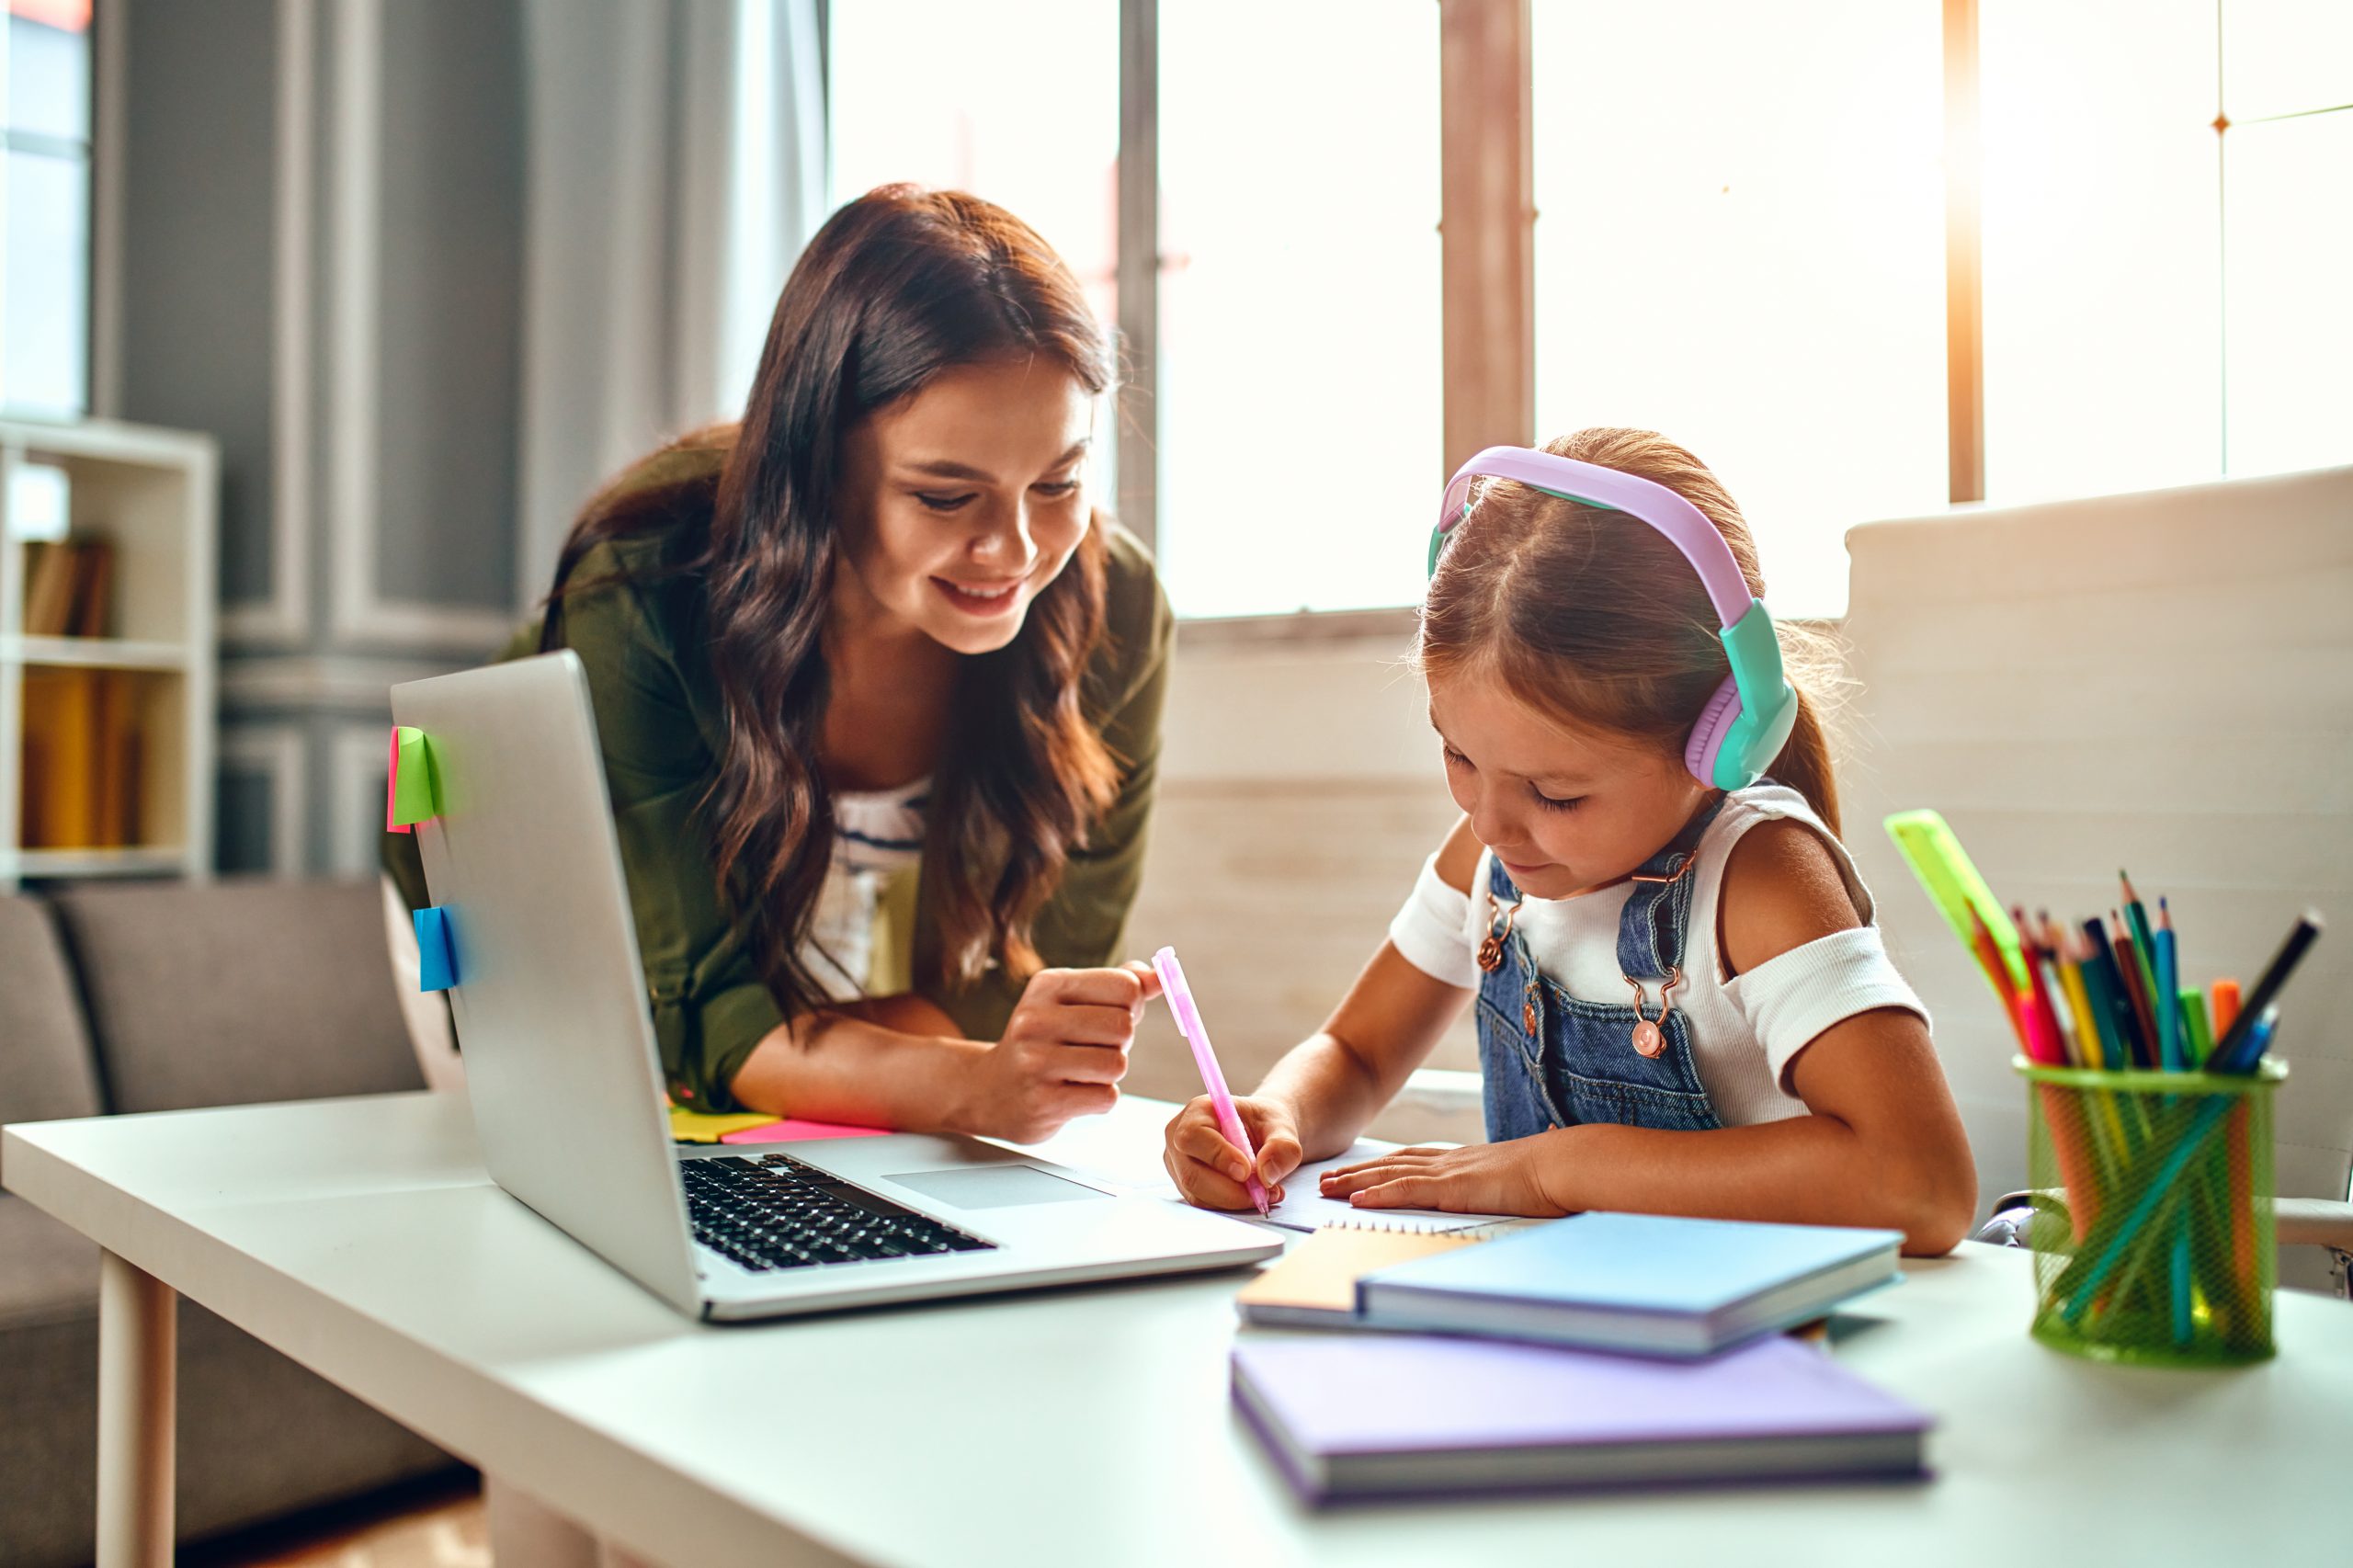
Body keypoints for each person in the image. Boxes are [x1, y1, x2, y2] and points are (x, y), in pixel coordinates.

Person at [387, 187, 1168, 1144]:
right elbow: (697, 1015)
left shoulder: (1114, 607)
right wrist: (955, 1077)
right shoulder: (648, 580)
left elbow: (1049, 992)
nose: (1013, 549)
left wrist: (958, 1063)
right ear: (816, 469)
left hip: (779, 955)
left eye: (1058, 481)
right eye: (945, 494)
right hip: (527, 918)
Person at [1160, 427, 1977, 1254]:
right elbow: (1357, 1053)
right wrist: (1277, 1113)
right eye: (1458, 755)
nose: (1489, 823)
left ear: (1719, 741)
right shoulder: (1486, 860)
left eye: (1555, 794)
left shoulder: (1761, 879)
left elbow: (1922, 1184)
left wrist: (1556, 1170)